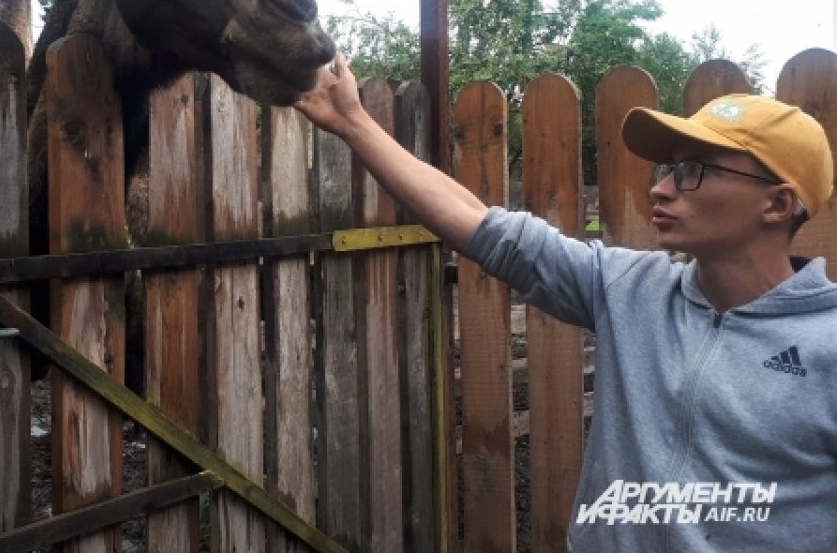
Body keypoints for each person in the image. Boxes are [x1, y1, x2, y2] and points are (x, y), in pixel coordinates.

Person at [294, 54, 836, 552]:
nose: (662, 189)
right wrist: (354, 124)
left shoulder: (827, 343)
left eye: (694, 170)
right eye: (667, 170)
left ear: (778, 204)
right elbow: (482, 225)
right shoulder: (629, 288)